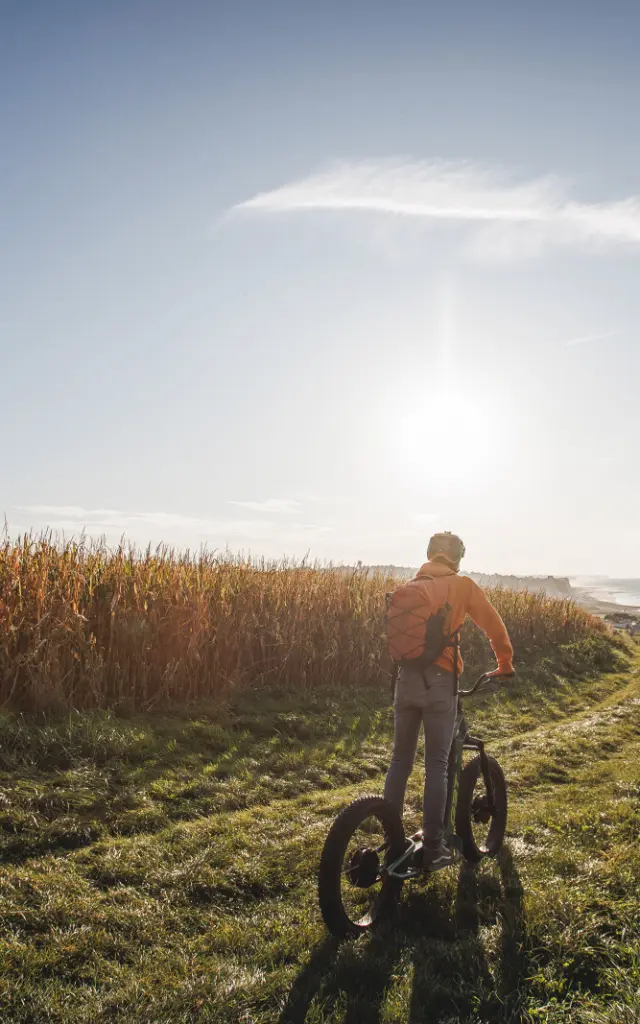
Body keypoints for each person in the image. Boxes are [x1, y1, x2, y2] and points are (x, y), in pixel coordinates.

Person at [383, 531, 515, 869]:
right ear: (457, 558)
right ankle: (434, 848)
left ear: (430, 554)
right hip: (440, 683)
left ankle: (392, 837)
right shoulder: (462, 586)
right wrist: (504, 662)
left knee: (400, 760)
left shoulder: (413, 585)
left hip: (405, 679)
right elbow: (493, 625)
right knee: (437, 765)